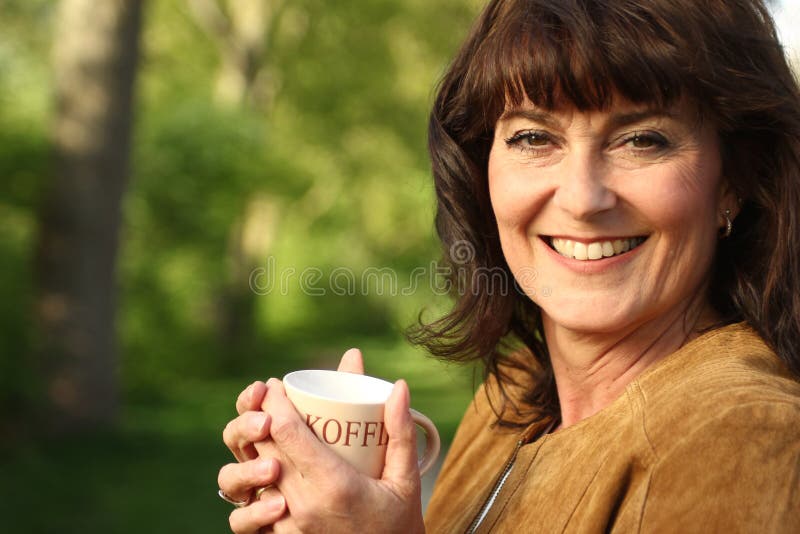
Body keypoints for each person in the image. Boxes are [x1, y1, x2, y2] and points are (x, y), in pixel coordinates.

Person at [216, 0, 800, 531]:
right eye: (532, 138)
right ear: (481, 170)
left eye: (642, 140)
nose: (581, 198)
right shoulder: (513, 394)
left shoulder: (742, 432)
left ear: (735, 180)